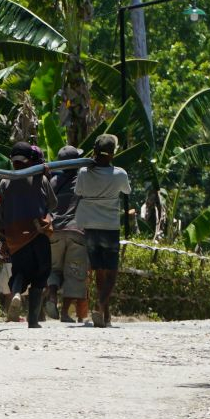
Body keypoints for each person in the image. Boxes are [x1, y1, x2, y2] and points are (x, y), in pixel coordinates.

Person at [74, 133, 134, 327]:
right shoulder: (120, 174)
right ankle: (101, 305)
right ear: (112, 154)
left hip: (90, 226)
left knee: (99, 271)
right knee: (112, 271)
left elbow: (78, 192)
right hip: (109, 227)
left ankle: (104, 314)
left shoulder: (83, 172)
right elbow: (127, 191)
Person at [0, 141, 57, 330]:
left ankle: (15, 293)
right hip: (37, 232)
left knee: (20, 271)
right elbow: (53, 204)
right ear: (30, 161)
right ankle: (32, 320)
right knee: (40, 275)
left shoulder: (5, 182)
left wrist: (3, 239)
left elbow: (0, 214)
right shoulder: (40, 179)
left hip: (15, 235)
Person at [48, 145, 92, 324]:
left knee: (54, 269)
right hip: (77, 231)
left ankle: (52, 296)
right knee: (73, 273)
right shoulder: (84, 181)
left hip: (55, 230)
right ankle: (65, 313)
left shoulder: (53, 182)